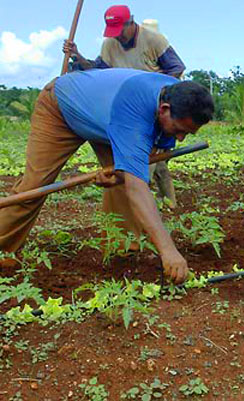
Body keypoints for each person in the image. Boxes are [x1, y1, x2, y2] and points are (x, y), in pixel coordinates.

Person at [0, 68, 214, 284]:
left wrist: (120, 176)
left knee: (125, 181)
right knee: (35, 186)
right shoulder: (135, 112)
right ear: (163, 109)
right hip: (61, 107)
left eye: (187, 133)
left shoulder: (177, 95)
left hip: (108, 120)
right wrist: (168, 250)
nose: (180, 138)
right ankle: (3, 252)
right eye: (178, 129)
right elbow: (137, 186)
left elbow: (140, 164)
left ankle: (123, 256)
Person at [63, 5, 185, 205]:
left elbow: (176, 68)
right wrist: (77, 55)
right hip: (127, 111)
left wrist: (155, 91)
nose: (117, 36)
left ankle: (142, 210)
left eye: (120, 31)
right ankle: (169, 203)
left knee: (142, 166)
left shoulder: (154, 39)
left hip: (154, 110)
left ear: (131, 22)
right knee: (156, 162)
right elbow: (98, 72)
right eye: (114, 32)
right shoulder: (110, 44)